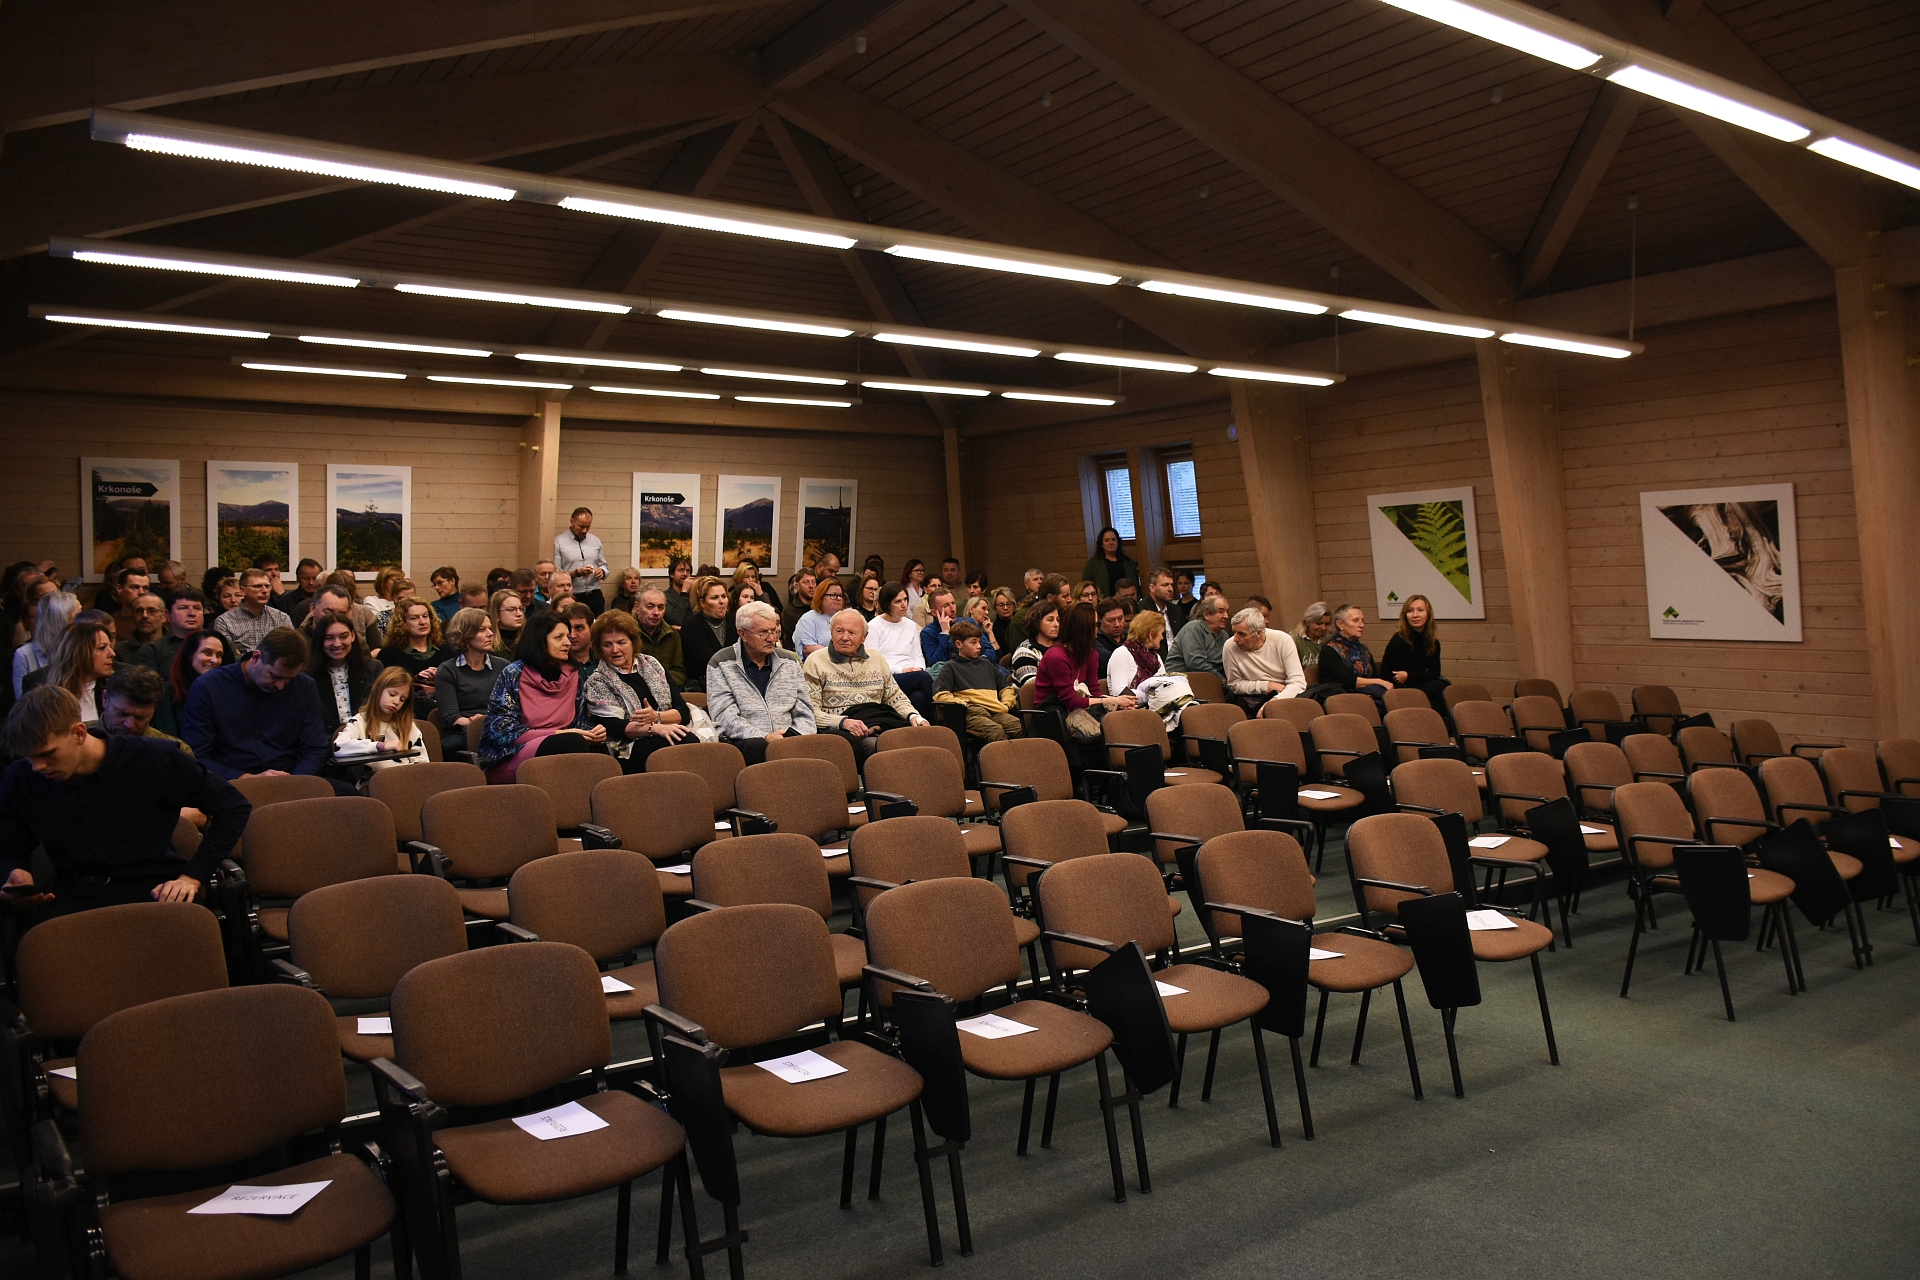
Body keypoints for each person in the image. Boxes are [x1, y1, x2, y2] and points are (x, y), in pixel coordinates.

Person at [0, 687, 250, 916]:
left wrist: (193, 877)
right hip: (73, 897)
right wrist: (15, 872)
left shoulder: (155, 759)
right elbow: (11, 845)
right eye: (29, 757)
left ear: (79, 733)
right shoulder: (21, 778)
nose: (37, 767)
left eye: (47, 754)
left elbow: (233, 807)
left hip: (154, 890)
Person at [181, 627, 331, 783]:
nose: (281, 685)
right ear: (256, 657)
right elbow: (196, 755)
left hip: (290, 778)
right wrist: (246, 779)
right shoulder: (208, 687)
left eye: (289, 679)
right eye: (275, 676)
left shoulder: (304, 686)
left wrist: (296, 781)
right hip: (231, 782)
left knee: (342, 790)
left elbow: (315, 748)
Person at [473, 611, 606, 783]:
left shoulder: (573, 674)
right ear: (540, 640)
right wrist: (557, 734)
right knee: (570, 742)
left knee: (594, 752)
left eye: (567, 636)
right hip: (512, 756)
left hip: (565, 746)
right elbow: (501, 732)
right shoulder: (513, 674)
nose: (568, 642)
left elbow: (578, 722)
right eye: (559, 637)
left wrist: (593, 732)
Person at [802, 609, 925, 763]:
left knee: (919, 741)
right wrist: (842, 722)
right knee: (884, 747)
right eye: (839, 631)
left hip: (879, 723)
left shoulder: (876, 658)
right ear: (831, 633)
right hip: (843, 732)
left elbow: (895, 697)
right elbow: (809, 712)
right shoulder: (815, 661)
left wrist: (914, 716)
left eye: (852, 633)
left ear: (864, 637)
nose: (845, 637)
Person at [583, 609, 692, 774]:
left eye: (621, 642)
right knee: (681, 742)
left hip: (667, 731)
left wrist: (656, 717)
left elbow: (682, 712)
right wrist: (655, 728)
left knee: (689, 741)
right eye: (607, 644)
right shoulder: (597, 682)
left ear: (633, 642)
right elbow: (616, 727)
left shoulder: (651, 664)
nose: (615, 650)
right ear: (599, 648)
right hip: (626, 747)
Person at [706, 601, 814, 764]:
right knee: (758, 746)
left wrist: (793, 735)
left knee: (830, 742)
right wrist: (766, 737)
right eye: (763, 632)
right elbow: (725, 717)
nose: (771, 638)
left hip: (789, 738)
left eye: (774, 631)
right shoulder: (721, 663)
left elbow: (805, 711)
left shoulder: (789, 661)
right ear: (743, 634)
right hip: (746, 742)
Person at [1035, 602, 1134, 743]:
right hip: (1052, 717)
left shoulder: (1091, 654)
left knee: (1123, 725)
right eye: (1095, 624)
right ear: (1083, 628)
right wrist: (1112, 700)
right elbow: (1071, 702)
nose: (1098, 628)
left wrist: (1119, 704)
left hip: (1080, 713)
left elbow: (1094, 693)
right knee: (1105, 736)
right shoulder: (1056, 656)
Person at [434, 608, 507, 755]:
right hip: (464, 730)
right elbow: (450, 716)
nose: (490, 634)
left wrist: (487, 720)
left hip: (498, 726)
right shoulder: (447, 670)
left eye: (490, 628)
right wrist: (475, 723)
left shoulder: (503, 666)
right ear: (465, 635)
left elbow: (511, 707)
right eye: (482, 630)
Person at [933, 621, 1020, 744]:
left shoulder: (986, 665)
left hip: (995, 711)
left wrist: (1006, 703)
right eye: (973, 642)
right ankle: (1000, 757)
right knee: (995, 731)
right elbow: (940, 695)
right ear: (959, 644)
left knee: (1020, 727)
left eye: (979, 642)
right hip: (971, 714)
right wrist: (963, 704)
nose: (979, 646)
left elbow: (1006, 688)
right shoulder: (951, 667)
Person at [305, 611, 384, 741]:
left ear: (352, 636)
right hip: (326, 744)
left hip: (370, 741)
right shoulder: (308, 677)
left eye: (343, 636)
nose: (337, 644)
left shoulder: (373, 668)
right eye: (329, 638)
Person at [334, 666, 428, 771]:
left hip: (404, 778)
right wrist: (380, 746)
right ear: (377, 690)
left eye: (402, 699)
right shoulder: (360, 722)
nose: (396, 702)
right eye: (392, 694)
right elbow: (339, 747)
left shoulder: (408, 726)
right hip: (373, 779)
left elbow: (423, 765)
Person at [866, 582, 936, 719]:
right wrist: (902, 670)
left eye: (905, 599)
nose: (904, 605)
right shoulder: (874, 626)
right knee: (923, 677)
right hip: (887, 677)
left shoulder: (910, 625)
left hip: (913, 676)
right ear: (887, 604)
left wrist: (919, 668)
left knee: (918, 697)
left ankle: (924, 728)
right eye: (898, 601)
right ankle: (940, 718)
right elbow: (874, 662)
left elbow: (917, 655)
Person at [31, 616, 116, 723]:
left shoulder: (115, 690)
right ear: (78, 653)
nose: (112, 653)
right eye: (102, 648)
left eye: (110, 647)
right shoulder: (44, 697)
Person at [1224, 607, 1307, 709]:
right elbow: (1235, 685)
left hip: (1286, 693)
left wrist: (1276, 700)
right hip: (1254, 699)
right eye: (1234, 632)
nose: (1235, 639)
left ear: (1259, 633)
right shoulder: (1229, 646)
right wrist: (1267, 686)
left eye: (1242, 634)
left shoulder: (1282, 640)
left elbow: (1298, 682)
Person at [1380, 594, 1450, 712]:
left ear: (1428, 614)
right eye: (1410, 611)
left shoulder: (1433, 642)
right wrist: (1411, 676)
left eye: (1420, 610)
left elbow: (1434, 673)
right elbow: (1399, 678)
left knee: (1441, 694)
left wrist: (1409, 675)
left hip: (1417, 683)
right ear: (1405, 615)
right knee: (1439, 687)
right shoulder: (1399, 640)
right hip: (1397, 688)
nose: (1415, 615)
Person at [98, 666, 191, 753]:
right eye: (122, 713)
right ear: (105, 698)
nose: (129, 725)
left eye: (140, 717)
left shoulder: (176, 752)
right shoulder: (86, 741)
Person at [1318, 604, 1395, 705]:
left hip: (1368, 694)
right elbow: (1345, 680)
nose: (1361, 625)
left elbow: (1374, 675)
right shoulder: (1330, 650)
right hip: (1341, 699)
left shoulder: (1363, 649)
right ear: (1340, 624)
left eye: (1362, 621)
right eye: (1355, 620)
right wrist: (1380, 682)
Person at [380, 598, 444, 718]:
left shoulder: (446, 651)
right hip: (406, 712)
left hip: (443, 709)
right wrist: (416, 680)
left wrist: (441, 676)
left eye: (425, 616)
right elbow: (388, 690)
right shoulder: (389, 654)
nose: (422, 622)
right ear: (402, 623)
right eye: (414, 618)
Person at [163, 631, 231, 740]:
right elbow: (166, 737)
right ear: (190, 655)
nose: (214, 660)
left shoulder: (226, 690)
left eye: (219, 655)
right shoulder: (168, 690)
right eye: (207, 653)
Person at [214, 567, 292, 660]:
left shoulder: (281, 618)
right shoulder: (224, 621)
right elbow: (228, 658)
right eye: (257, 586)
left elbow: (290, 651)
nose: (264, 591)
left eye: (267, 586)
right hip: (240, 668)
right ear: (242, 590)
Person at [13, 589, 78, 698]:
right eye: (79, 615)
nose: (85, 621)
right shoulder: (24, 655)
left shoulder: (83, 651)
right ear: (61, 619)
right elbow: (23, 702)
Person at [132, 587, 206, 677]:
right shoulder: (152, 651)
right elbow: (148, 685)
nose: (192, 613)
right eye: (183, 608)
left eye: (197, 608)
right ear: (167, 615)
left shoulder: (218, 644)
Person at [679, 575, 733, 692]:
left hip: (734, 682)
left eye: (724, 596)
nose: (721, 601)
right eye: (715, 598)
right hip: (703, 686)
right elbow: (709, 661)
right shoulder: (691, 627)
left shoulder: (735, 622)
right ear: (702, 602)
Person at [555, 506, 610, 614]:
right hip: (573, 595)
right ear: (572, 521)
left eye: (587, 527)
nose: (584, 530)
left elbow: (604, 565)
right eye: (581, 526)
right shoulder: (559, 542)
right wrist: (577, 573)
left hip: (595, 594)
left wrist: (602, 571)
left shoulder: (595, 540)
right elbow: (556, 575)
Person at [1105, 609, 1166, 699]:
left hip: (1155, 705)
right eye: (1161, 633)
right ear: (1151, 634)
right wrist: (1151, 696)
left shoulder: (1156, 658)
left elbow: (1163, 690)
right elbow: (1120, 692)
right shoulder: (1122, 654)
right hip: (1128, 707)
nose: (1162, 638)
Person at [632, 586, 686, 686]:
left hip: (666, 688)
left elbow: (679, 672)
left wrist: (659, 682)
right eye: (650, 607)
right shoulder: (625, 633)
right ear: (637, 607)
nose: (656, 613)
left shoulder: (672, 635)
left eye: (661, 607)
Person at [1168, 594, 1230, 679]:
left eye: (1227, 612)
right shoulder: (1193, 629)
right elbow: (1195, 663)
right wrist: (1221, 679)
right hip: (1181, 677)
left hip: (1208, 678)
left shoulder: (1224, 635)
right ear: (1206, 615)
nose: (1226, 616)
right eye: (1221, 611)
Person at [1007, 600, 1060, 689]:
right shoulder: (1024, 651)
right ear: (1037, 622)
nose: (1056, 624)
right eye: (1050, 620)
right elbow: (1032, 686)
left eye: (1057, 620)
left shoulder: (1062, 647)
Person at [793, 578, 848, 659]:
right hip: (818, 663)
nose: (839, 599)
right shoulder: (808, 619)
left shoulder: (848, 618)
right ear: (821, 596)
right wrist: (836, 654)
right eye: (833, 595)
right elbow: (807, 649)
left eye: (840, 595)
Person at [1082, 526, 1140, 600]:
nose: (1111, 542)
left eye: (1113, 539)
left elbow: (1136, 586)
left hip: (1127, 602)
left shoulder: (1128, 562)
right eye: (1107, 540)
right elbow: (1084, 586)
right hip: (1104, 603)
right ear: (1101, 544)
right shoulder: (1093, 564)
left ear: (1118, 542)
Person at [114, 592, 166, 667]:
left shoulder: (178, 647)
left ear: (164, 616)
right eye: (139, 611)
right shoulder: (119, 651)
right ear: (132, 617)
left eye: (152, 611)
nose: (144, 615)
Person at [104, 566, 151, 644]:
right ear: (119, 588)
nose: (142, 592)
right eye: (135, 587)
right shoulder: (111, 623)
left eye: (145, 588)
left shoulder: (157, 619)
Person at [919, 586, 961, 670]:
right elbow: (937, 664)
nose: (953, 609)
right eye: (946, 605)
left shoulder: (968, 623)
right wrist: (945, 633)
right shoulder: (928, 633)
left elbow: (987, 650)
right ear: (934, 612)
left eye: (953, 603)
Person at [1292, 602, 1332, 670]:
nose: (1323, 628)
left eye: (1326, 624)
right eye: (1319, 623)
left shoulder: (1330, 639)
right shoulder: (1295, 640)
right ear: (1307, 622)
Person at [1093, 597, 1128, 673]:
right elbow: (1113, 662)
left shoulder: (1131, 637)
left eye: (1120, 618)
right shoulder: (1095, 640)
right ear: (1100, 620)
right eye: (1111, 620)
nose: (1117, 624)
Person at [782, 568, 818, 640]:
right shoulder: (790, 611)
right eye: (806, 582)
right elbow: (805, 634)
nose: (811, 586)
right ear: (797, 586)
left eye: (813, 582)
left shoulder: (821, 607)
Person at [563, 601, 598, 676]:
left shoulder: (604, 660)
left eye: (579, 628)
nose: (572, 635)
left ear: (591, 628)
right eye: (568, 629)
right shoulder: (557, 666)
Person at [488, 588, 526, 657]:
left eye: (521, 609)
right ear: (497, 615)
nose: (519, 614)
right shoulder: (489, 646)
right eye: (511, 609)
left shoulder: (530, 641)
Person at [663, 557, 695, 628]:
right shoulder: (664, 597)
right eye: (681, 570)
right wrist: (684, 592)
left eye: (688, 571)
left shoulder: (694, 596)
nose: (685, 574)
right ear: (672, 574)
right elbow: (676, 620)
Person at [990, 587, 1019, 658]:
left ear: (1014, 605)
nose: (1005, 608)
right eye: (1001, 605)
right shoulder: (994, 628)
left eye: (1009, 604)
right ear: (995, 608)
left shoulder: (1020, 621)